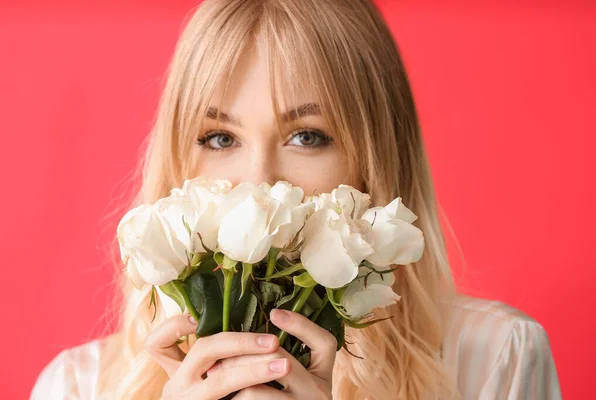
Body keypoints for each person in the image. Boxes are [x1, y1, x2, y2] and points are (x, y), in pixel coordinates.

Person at [30, 0, 562, 399]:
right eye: (221, 138)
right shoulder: (75, 387)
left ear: (374, 161)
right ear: (180, 163)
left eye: (307, 136)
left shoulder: (496, 361)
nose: (257, 183)